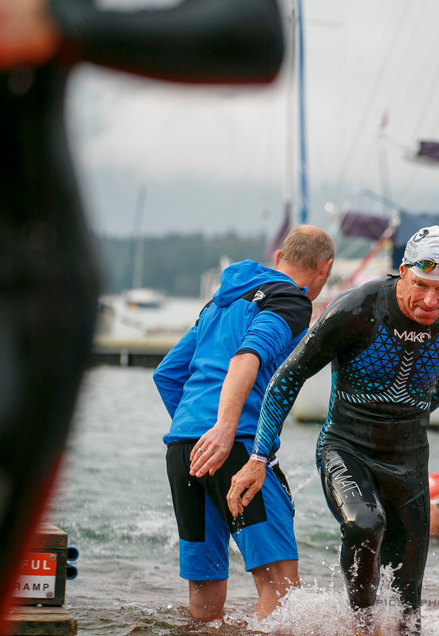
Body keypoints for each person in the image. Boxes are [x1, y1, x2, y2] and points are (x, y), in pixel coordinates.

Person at [0, 0, 285, 632]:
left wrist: (55, 15)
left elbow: (254, 26)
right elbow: (212, 366)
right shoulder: (268, 302)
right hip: (206, 442)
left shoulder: (256, 304)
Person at [226, 225, 439, 634]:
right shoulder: (357, 310)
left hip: (409, 456)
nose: (431, 300)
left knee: (407, 606)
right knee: (365, 524)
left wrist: (403, 415)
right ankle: (360, 625)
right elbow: (287, 378)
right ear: (402, 272)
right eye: (420, 285)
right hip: (346, 447)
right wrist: (258, 458)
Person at [152, 227, 334, 621]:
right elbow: (246, 358)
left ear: (280, 255)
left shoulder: (218, 303)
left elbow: (167, 374)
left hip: (183, 449)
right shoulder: (290, 300)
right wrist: (222, 430)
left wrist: (199, 430)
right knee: (280, 585)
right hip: (236, 447)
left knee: (204, 592)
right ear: (325, 269)